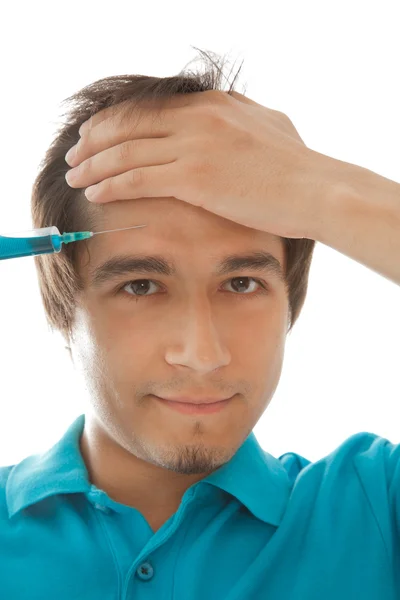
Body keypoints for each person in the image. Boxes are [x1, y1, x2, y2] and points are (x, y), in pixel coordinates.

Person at [1, 48, 399, 598]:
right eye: (140, 286)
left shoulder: (377, 506)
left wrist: (322, 190)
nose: (201, 353)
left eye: (241, 284)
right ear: (63, 304)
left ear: (292, 300)